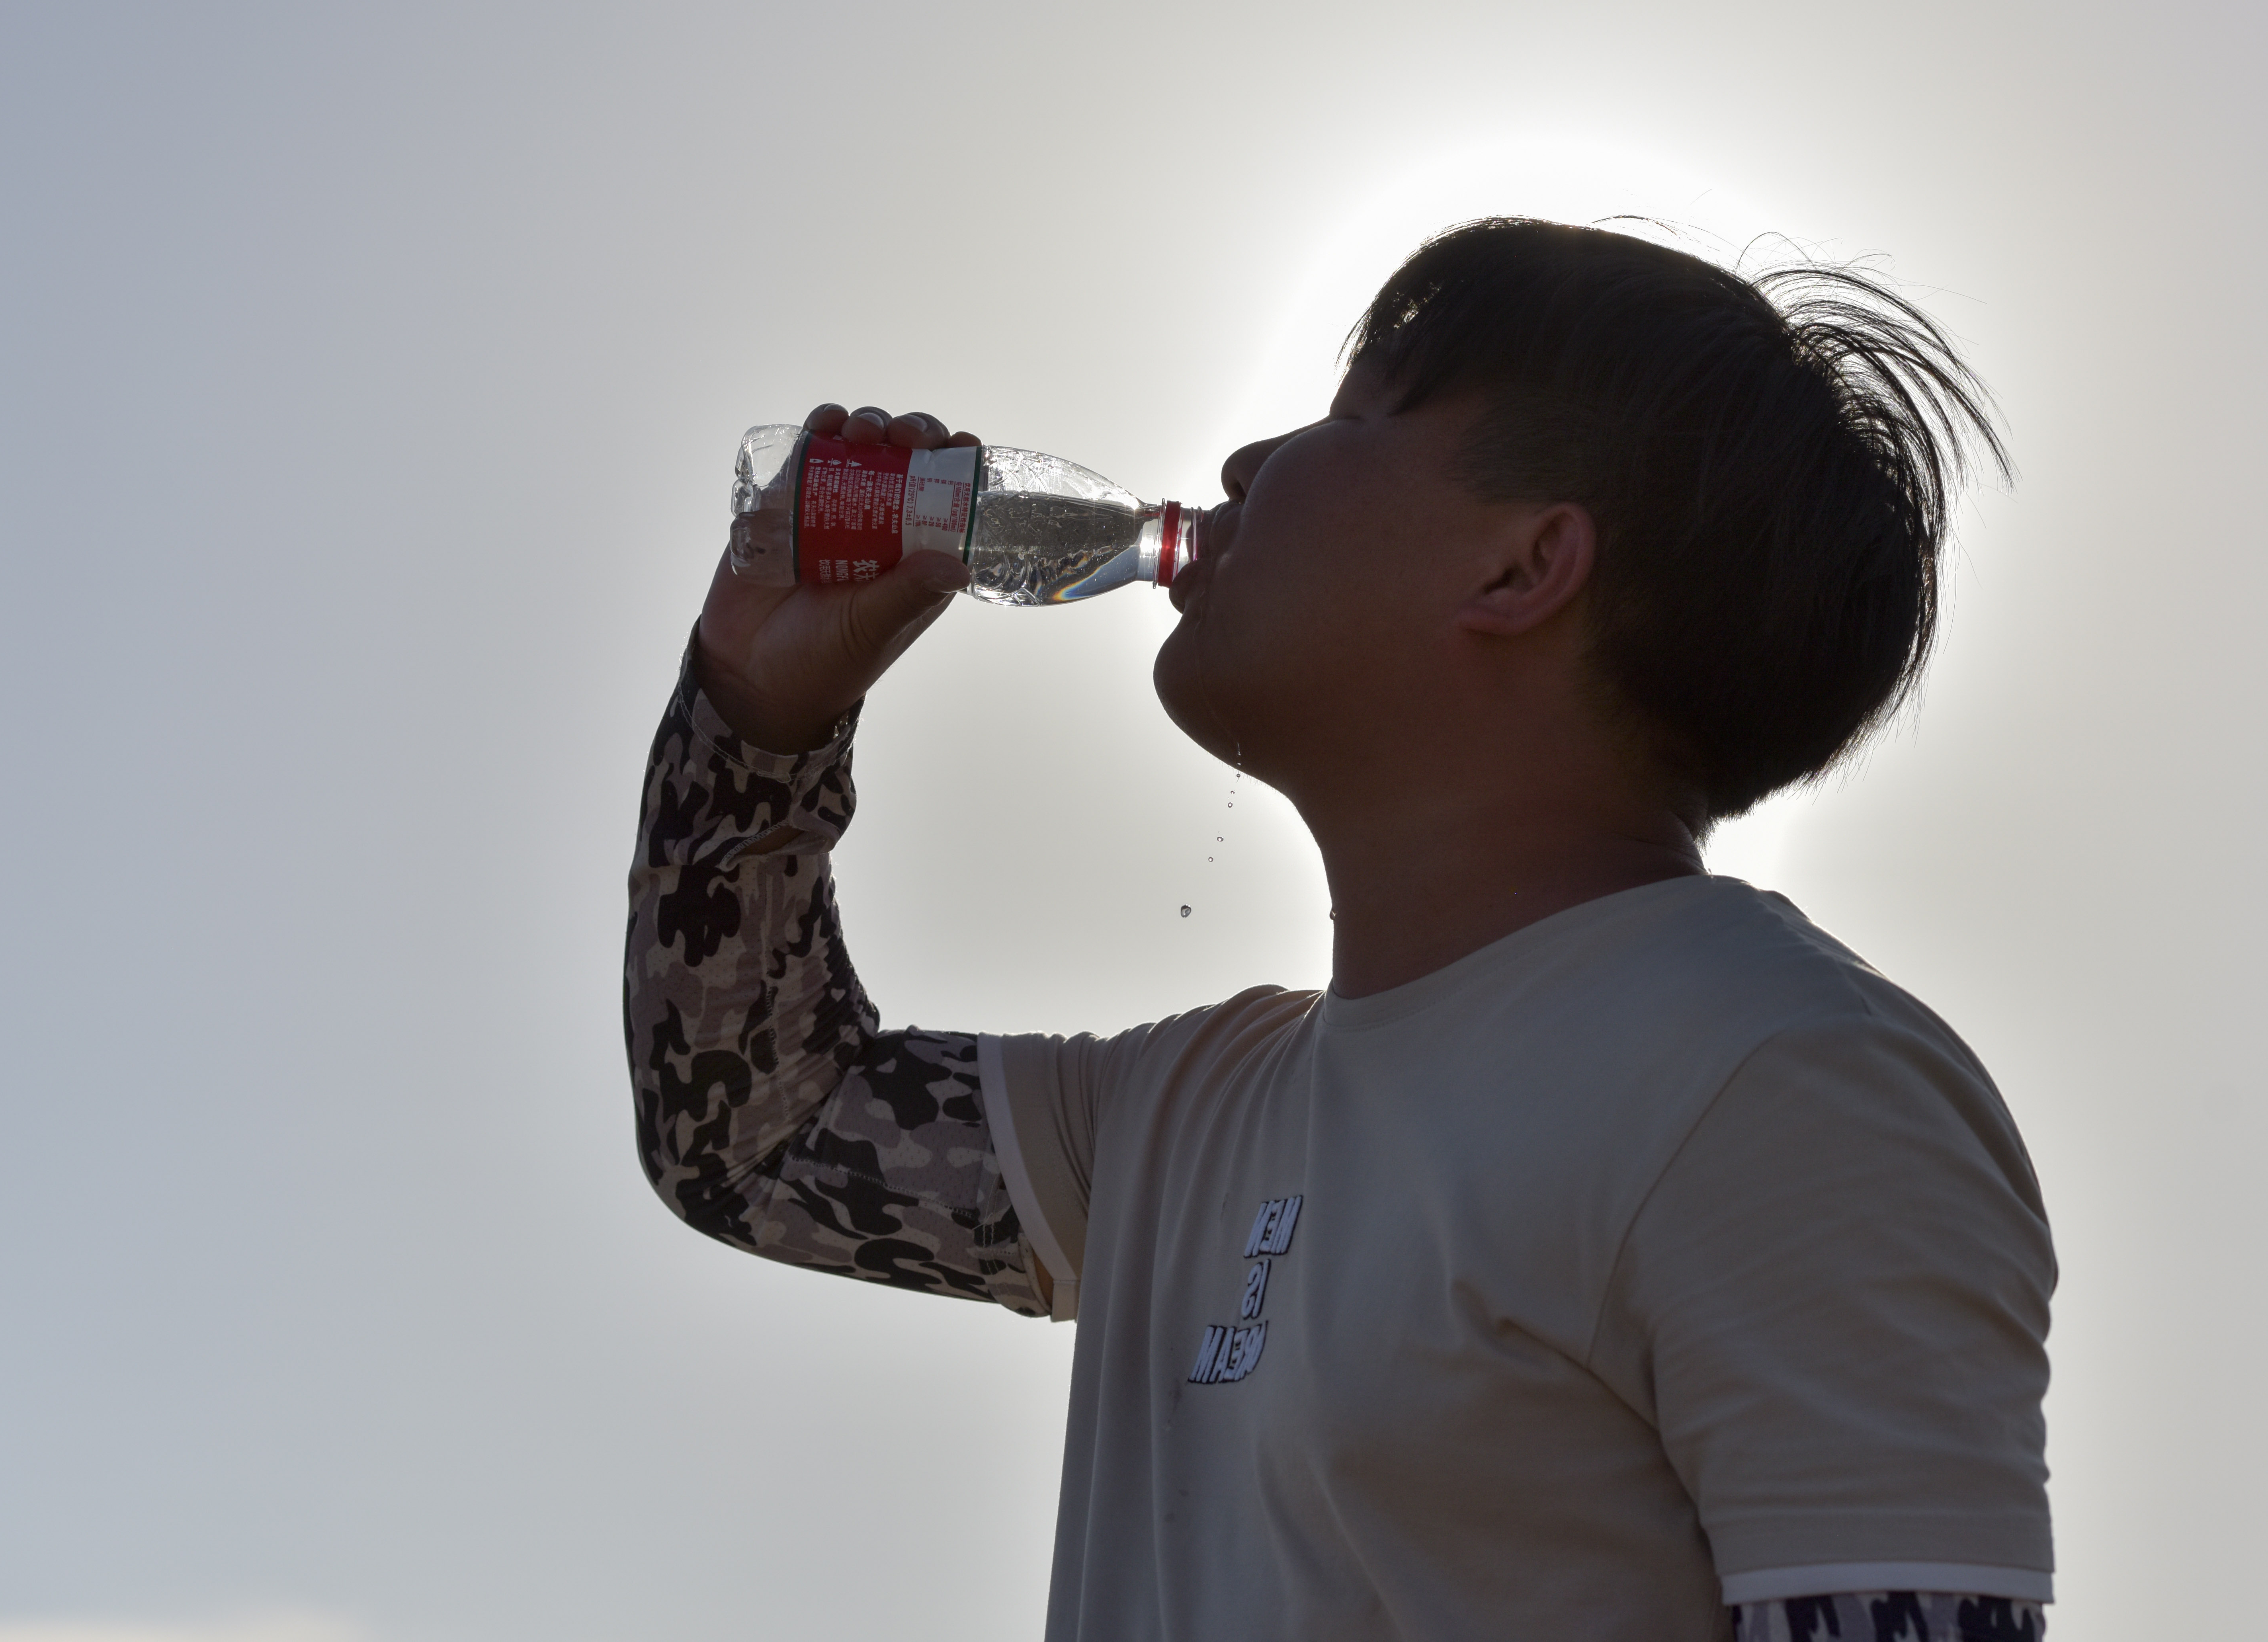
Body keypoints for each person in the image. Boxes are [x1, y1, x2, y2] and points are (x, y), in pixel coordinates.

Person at [625, 218, 2054, 1642]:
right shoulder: (1182, 1110)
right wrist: (758, 718)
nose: (1249, 465)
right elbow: (755, 1141)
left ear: (1521, 569)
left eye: (1357, 417)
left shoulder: (1784, 1085)